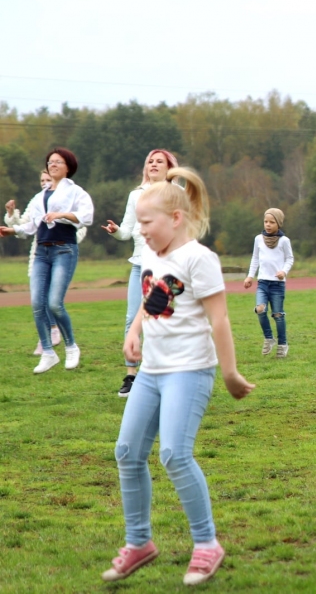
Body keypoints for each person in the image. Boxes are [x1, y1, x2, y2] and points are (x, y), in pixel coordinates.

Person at [101, 167, 255, 585]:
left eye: (146, 223)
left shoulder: (199, 259)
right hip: (151, 371)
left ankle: (207, 544)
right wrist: (133, 333)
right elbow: (150, 301)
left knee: (173, 454)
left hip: (190, 371)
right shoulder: (152, 254)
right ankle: (139, 543)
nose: (142, 231)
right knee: (127, 452)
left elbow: (220, 320)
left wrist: (230, 373)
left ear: (175, 218)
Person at [0, 148, 94, 374]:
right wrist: (13, 230)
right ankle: (49, 353)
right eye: (50, 162)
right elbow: (32, 226)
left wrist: (61, 215)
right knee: (36, 304)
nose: (52, 165)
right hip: (41, 253)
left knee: (54, 303)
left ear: (68, 167)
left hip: (64, 250)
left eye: (58, 162)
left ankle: (71, 347)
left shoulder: (76, 192)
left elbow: (86, 217)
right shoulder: (40, 196)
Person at [102, 149, 179, 396]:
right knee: (131, 319)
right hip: (139, 265)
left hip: (165, 265)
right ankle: (131, 375)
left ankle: (164, 372)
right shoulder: (135, 195)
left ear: (169, 168)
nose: (154, 165)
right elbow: (127, 231)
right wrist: (116, 231)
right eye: (150, 162)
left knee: (161, 319)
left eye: (159, 162)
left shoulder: (176, 194)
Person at [243, 208, 293, 358]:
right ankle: (269, 338)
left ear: (279, 223)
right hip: (263, 282)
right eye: (266, 221)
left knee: (278, 315)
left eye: (272, 222)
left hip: (278, 284)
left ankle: (283, 344)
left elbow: (290, 258)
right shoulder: (258, 239)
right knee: (260, 309)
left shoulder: (284, 241)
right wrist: (250, 276)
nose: (268, 225)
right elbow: (255, 258)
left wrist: (283, 271)